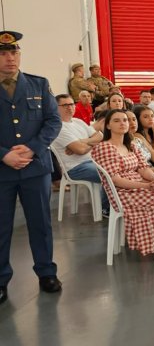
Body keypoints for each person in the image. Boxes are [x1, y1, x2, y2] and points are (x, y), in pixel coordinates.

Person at [0, 30, 63, 304]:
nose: (9, 59)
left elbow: (53, 122)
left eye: (13, 52)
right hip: (1, 170)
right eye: (2, 54)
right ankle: (1, 280)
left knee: (41, 223)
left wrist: (33, 148)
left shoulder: (39, 84)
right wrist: (4, 155)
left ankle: (46, 272)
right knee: (1, 227)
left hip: (35, 168)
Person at [91, 109, 154, 256]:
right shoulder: (105, 147)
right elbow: (116, 179)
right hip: (123, 193)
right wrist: (146, 185)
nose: (123, 123)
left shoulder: (131, 145)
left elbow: (143, 168)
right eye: (117, 121)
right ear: (107, 126)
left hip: (139, 186)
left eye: (125, 120)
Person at [51, 94, 108, 217]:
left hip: (92, 161)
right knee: (109, 173)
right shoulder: (58, 127)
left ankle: (117, 205)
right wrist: (90, 143)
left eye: (71, 104)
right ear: (55, 107)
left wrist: (81, 141)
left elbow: (100, 136)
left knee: (116, 168)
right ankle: (106, 208)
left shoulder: (78, 121)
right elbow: (80, 150)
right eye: (65, 105)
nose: (69, 107)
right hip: (75, 168)